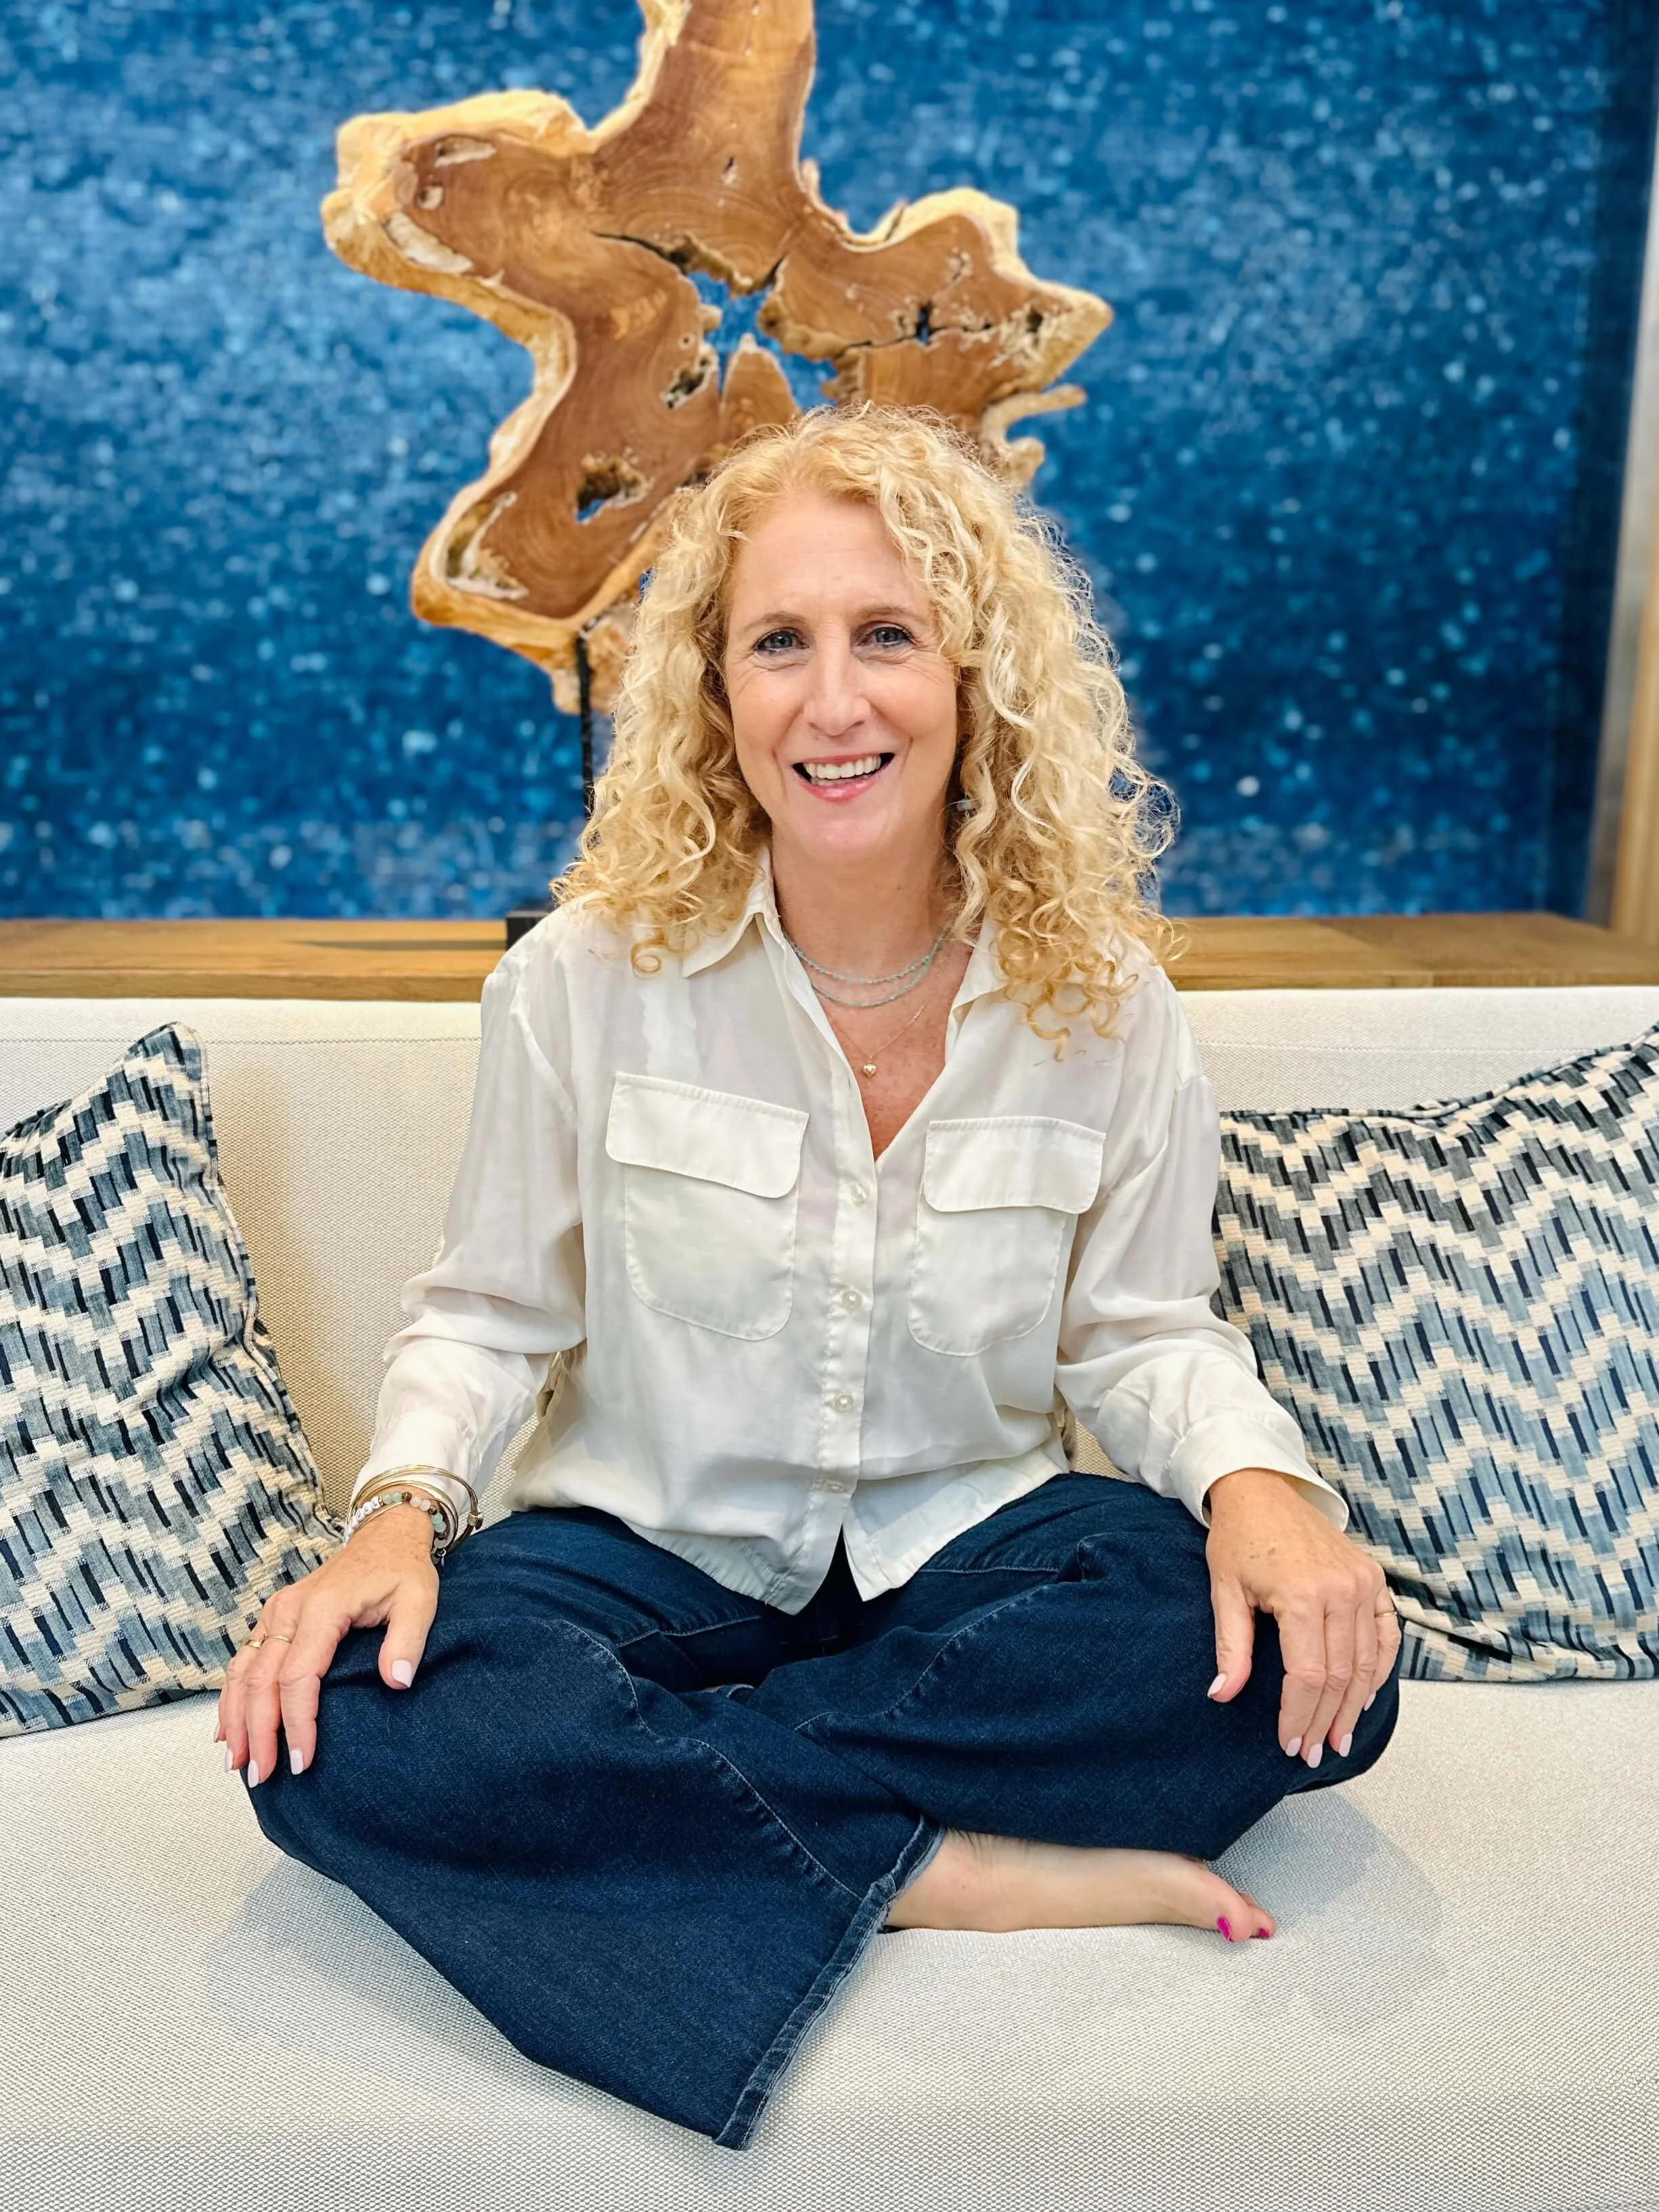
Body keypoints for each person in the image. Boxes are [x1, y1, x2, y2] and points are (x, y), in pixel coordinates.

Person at [217, 401, 1402, 2152]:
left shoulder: (1107, 1004)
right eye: (780, 640)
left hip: (963, 1551)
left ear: (975, 672)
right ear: (714, 687)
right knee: (325, 1735)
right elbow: (488, 1314)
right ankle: (943, 1861)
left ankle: (649, 1790)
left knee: (1325, 1669)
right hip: (649, 1541)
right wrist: (398, 1511)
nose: (833, 701)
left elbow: (1144, 1331)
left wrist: (1265, 1485)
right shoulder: (585, 980)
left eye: (886, 636)